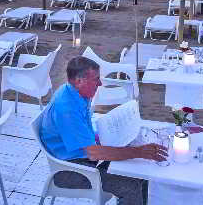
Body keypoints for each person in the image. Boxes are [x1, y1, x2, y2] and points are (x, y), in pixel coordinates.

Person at [39, 56, 168, 205]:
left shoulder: (76, 92)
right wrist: (139, 152)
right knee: (131, 186)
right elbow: (94, 153)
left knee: (140, 171)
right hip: (69, 170)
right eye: (96, 79)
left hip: (82, 157)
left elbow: (85, 135)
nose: (100, 83)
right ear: (79, 81)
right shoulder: (67, 109)